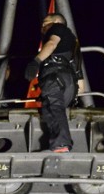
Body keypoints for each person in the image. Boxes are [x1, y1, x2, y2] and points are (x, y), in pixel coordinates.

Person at [24, 13, 81, 152]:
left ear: (56, 21)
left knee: (52, 106)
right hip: (70, 82)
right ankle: (61, 142)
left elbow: (51, 43)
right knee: (54, 108)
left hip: (55, 75)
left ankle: (61, 144)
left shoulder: (57, 28)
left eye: (45, 22)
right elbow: (79, 70)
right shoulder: (73, 42)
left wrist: (36, 62)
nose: (43, 26)